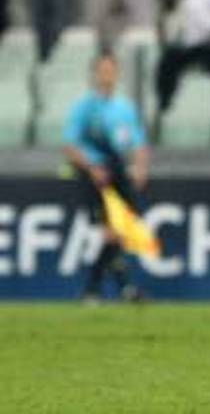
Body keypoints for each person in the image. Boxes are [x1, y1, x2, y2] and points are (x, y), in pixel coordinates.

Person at [62, 54, 151, 303]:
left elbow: (138, 143)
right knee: (112, 232)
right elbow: (69, 145)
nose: (107, 75)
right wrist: (91, 168)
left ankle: (117, 289)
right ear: (95, 74)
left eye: (111, 70)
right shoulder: (85, 107)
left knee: (119, 232)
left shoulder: (124, 108)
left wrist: (140, 168)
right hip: (97, 174)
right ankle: (102, 288)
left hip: (119, 172)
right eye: (102, 70)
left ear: (117, 73)